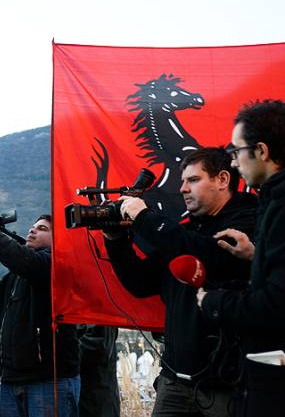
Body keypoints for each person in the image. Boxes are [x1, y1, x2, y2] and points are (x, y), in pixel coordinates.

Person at [198, 100, 285, 416]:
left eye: (236, 152)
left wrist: (216, 303)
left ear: (261, 151)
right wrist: (257, 256)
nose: (233, 163)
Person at [105, 147, 256, 416]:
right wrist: (116, 241)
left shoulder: (249, 220)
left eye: (193, 180)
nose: (183, 189)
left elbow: (211, 255)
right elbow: (140, 283)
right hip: (174, 380)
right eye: (182, 181)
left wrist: (144, 218)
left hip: (229, 384)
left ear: (222, 179)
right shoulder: (184, 232)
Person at [0, 214, 80, 417]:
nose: (32, 230)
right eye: (32, 227)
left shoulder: (56, 264)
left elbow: (28, 263)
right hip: (11, 380)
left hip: (48, 378)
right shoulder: (14, 278)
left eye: (42, 228)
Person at [76, 325, 119, 417]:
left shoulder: (99, 314)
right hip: (91, 392)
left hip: (97, 394)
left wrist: (66, 351)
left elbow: (98, 344)